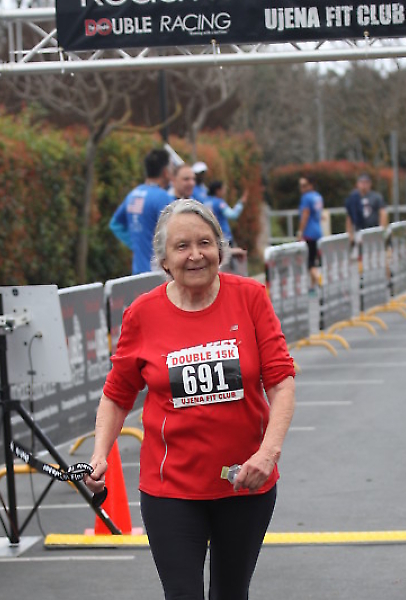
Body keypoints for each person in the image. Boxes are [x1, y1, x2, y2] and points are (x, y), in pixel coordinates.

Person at [85, 199, 296, 600]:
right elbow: (116, 396)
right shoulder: (142, 313)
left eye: (205, 243)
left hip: (245, 483)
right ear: (164, 260)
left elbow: (281, 383)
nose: (195, 255)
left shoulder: (250, 297)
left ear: (220, 248)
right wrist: (99, 455)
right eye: (182, 246)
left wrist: (267, 454)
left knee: (230, 593)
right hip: (171, 489)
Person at [109, 149, 172, 274]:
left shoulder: (133, 194)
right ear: (165, 172)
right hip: (158, 272)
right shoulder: (162, 197)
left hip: (138, 272)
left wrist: (135, 243)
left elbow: (115, 224)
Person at [345, 173, 388, 258]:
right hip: (359, 231)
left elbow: (383, 213)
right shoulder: (353, 198)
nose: (363, 185)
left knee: (377, 255)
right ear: (357, 184)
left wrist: (382, 230)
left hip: (374, 231)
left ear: (370, 184)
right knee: (359, 256)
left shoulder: (376, 197)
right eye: (361, 182)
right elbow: (349, 217)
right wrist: (350, 234)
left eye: (366, 182)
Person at [297, 175, 324, 292]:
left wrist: (300, 232)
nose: (302, 188)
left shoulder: (306, 198)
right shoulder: (318, 197)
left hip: (309, 233)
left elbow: (305, 215)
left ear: (310, 185)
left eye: (304, 185)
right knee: (313, 260)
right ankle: (312, 286)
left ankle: (319, 280)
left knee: (310, 263)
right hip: (318, 231)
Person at [204, 180, 248, 247]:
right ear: (218, 191)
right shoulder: (219, 203)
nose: (225, 191)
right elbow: (233, 215)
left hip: (212, 236)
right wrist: (241, 203)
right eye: (223, 189)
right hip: (224, 236)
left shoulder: (205, 201)